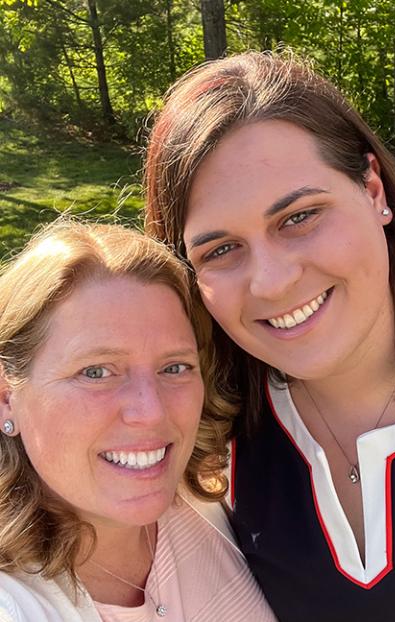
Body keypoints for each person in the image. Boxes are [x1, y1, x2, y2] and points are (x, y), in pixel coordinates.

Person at [144, 51, 395, 621]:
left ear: (374, 190)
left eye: (299, 216)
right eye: (220, 249)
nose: (272, 283)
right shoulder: (208, 442)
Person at [0, 219, 276, 622]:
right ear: (7, 398)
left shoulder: (208, 503)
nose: (151, 412)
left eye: (175, 367)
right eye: (96, 372)